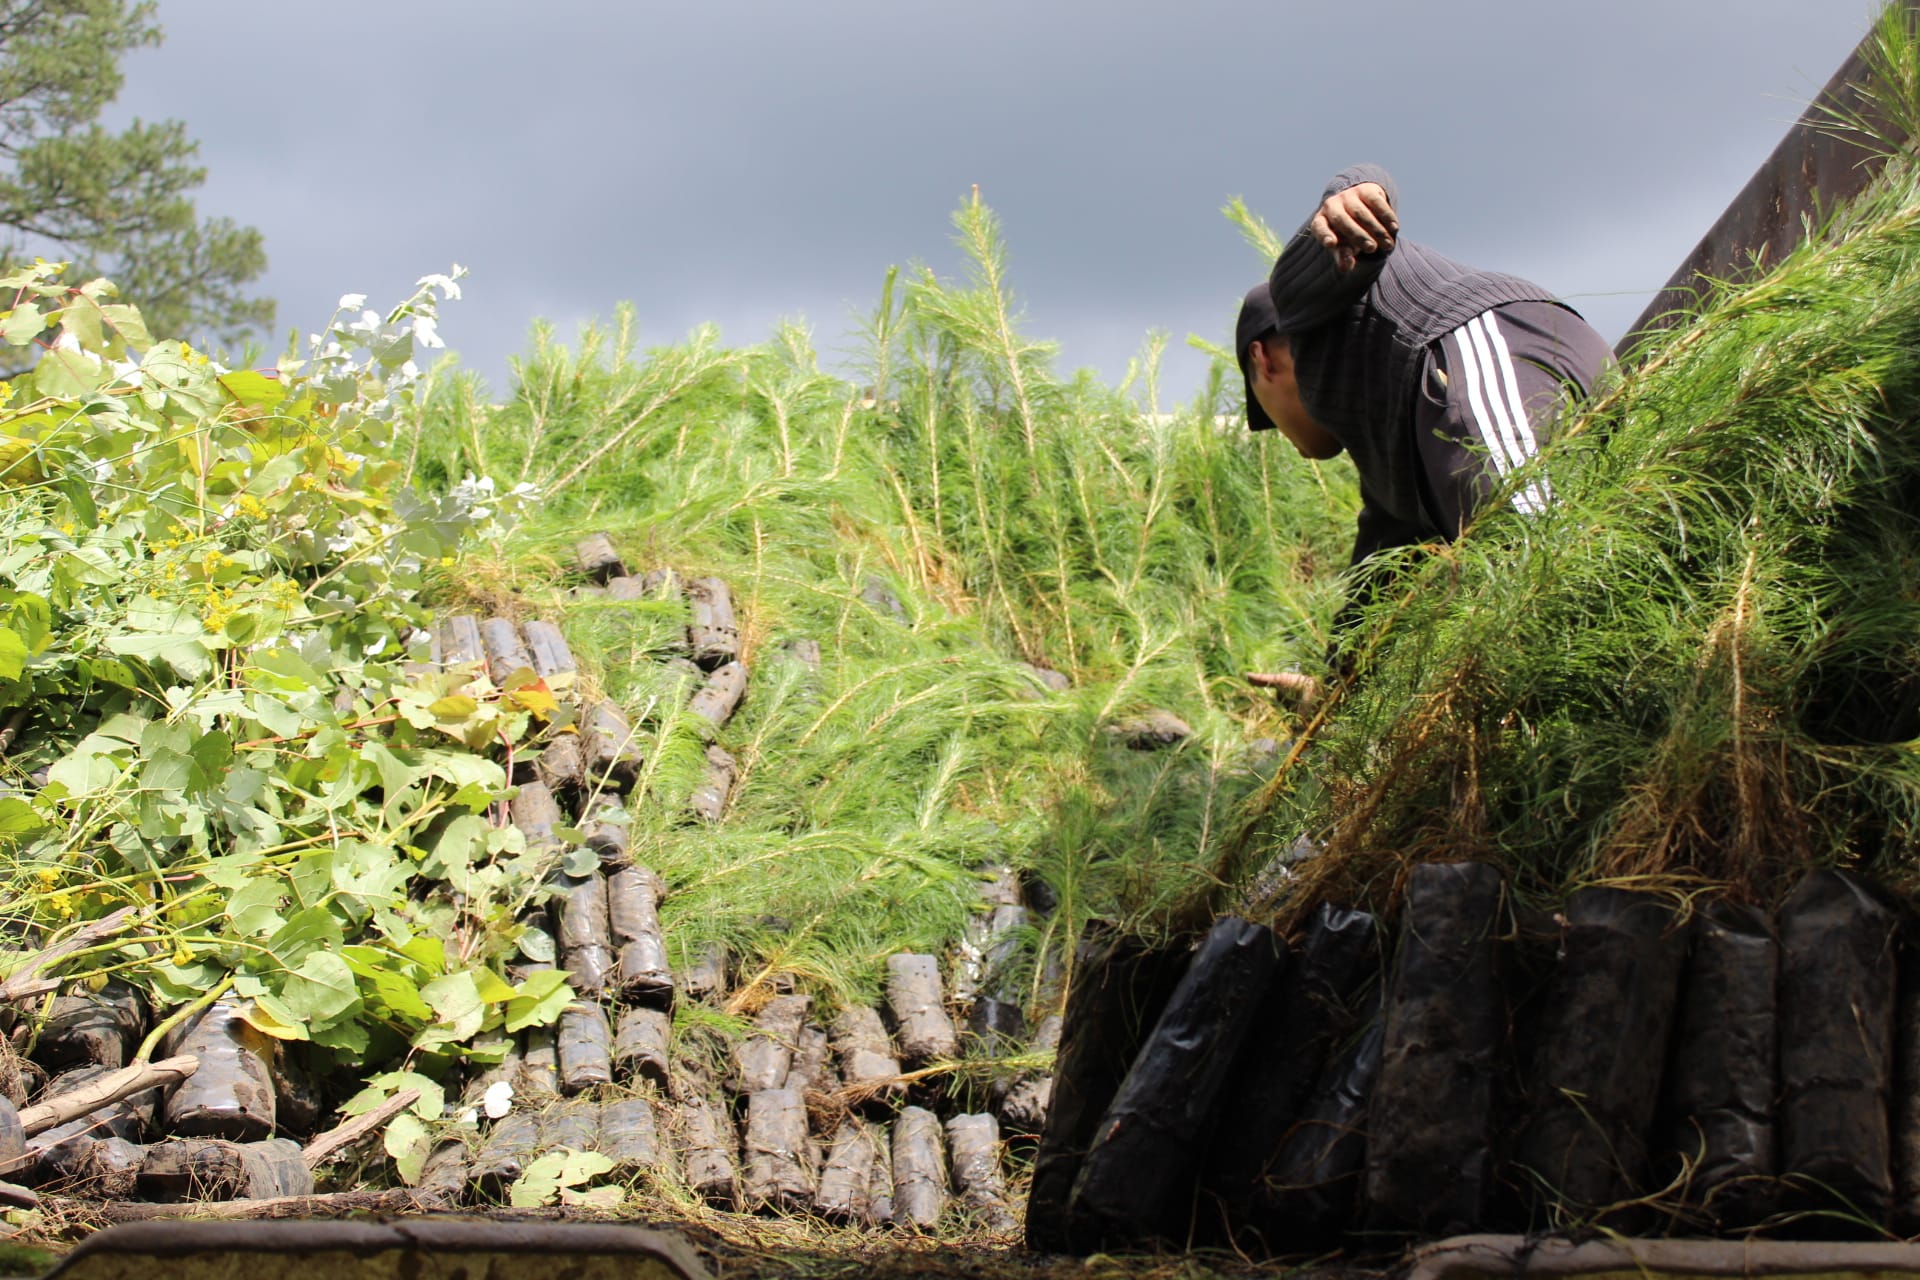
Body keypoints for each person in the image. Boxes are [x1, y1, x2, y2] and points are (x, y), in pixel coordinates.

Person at [1240, 163, 1612, 705]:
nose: (1292, 443)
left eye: (1265, 416)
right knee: (1587, 554)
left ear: (1262, 360)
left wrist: (1352, 193)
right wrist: (1334, 691)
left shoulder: (1297, 305)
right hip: (1546, 372)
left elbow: (1340, 231)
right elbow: (1380, 572)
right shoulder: (1395, 462)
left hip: (1486, 348)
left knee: (1547, 572)